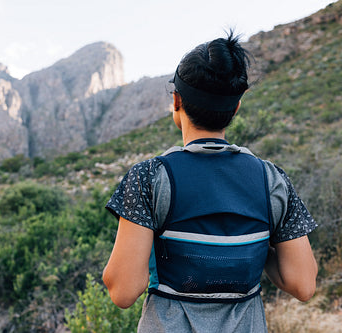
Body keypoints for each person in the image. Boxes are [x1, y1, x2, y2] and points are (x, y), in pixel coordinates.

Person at [102, 31, 318, 333]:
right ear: (236, 107)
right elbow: (303, 284)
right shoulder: (272, 180)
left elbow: (123, 290)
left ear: (176, 101)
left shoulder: (149, 178)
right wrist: (248, 250)